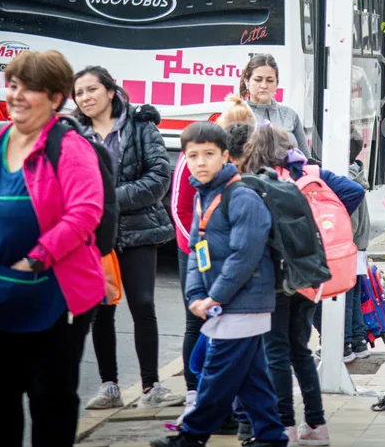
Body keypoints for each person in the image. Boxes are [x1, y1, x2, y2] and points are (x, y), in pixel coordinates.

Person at [0, 50, 105, 447]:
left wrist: (33, 261)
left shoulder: (70, 148)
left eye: (29, 88)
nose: (16, 95)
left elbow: (85, 213)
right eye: (12, 85)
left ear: (55, 98)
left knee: (50, 400)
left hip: (52, 295)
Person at [151, 123, 287, 447]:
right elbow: (198, 250)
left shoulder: (242, 197)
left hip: (245, 302)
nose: (200, 162)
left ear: (225, 156)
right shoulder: (204, 195)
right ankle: (271, 437)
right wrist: (197, 293)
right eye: (193, 155)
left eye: (209, 154)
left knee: (216, 376)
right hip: (227, 303)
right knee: (253, 378)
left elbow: (245, 256)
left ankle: (191, 436)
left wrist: (213, 296)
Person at [241, 126, 364, 444]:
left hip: (277, 277)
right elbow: (355, 191)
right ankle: (317, 425)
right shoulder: (311, 172)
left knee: (276, 352)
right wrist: (318, 229)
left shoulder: (257, 180)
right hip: (309, 273)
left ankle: (284, 425)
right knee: (301, 350)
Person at [73, 67, 181, 411]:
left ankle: (152, 387)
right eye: (79, 93)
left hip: (139, 229)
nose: (86, 97)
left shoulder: (140, 125)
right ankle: (109, 387)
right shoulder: (75, 133)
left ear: (110, 91)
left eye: (92, 90)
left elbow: (159, 177)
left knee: (143, 304)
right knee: (102, 308)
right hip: (94, 234)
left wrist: (108, 199)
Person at [170, 98, 257, 422]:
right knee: (196, 322)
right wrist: (194, 246)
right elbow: (180, 209)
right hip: (193, 251)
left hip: (222, 257)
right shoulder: (192, 159)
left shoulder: (237, 163)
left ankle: (233, 406)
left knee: (226, 327)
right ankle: (195, 394)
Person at [239, 54, 310, 158]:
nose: (264, 85)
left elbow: (306, 160)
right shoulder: (236, 114)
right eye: (258, 80)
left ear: (277, 83)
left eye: (270, 80)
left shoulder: (290, 114)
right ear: (247, 82)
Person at [344, 129, 372, 361]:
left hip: (349, 245)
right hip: (359, 245)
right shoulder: (357, 173)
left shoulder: (345, 180)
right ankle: (358, 341)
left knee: (345, 294)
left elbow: (349, 222)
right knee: (353, 292)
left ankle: (344, 344)